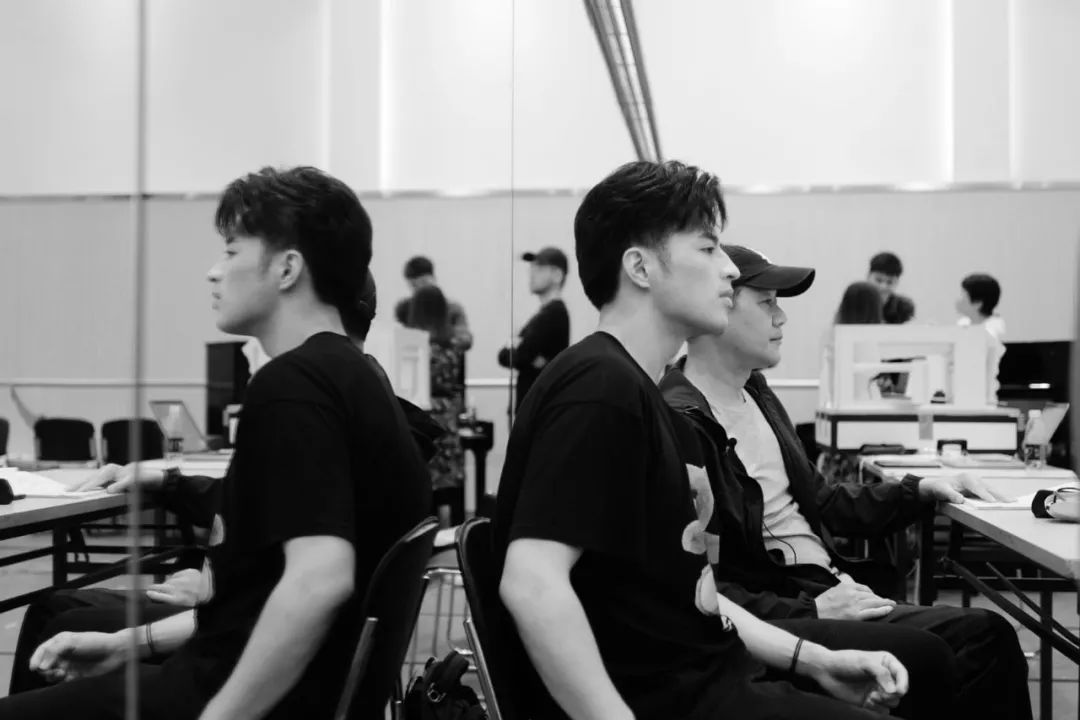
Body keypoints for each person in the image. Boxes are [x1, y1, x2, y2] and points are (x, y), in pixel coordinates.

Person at [0, 166, 433, 719]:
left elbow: (319, 580)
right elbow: (257, 604)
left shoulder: (293, 384)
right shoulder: (356, 379)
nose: (213, 271)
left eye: (230, 251)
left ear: (287, 268)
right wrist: (124, 646)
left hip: (222, 695)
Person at [496, 160, 921, 720]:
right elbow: (531, 582)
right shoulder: (599, 387)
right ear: (640, 267)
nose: (729, 269)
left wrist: (815, 660)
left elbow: (695, 593)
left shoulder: (640, 392)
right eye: (707, 247)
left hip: (718, 677)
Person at [662, 244, 1032, 720]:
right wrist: (811, 609)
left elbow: (824, 501)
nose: (782, 318)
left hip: (826, 588)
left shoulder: (754, 392)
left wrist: (916, 490)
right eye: (767, 302)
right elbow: (704, 583)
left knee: (980, 637)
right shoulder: (682, 419)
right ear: (719, 311)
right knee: (978, 641)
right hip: (792, 609)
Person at [403, 284, 467, 525]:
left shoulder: (411, 346)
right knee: (452, 491)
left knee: (424, 492)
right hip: (448, 423)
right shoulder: (454, 346)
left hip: (422, 422)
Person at [497, 247, 571, 411]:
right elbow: (507, 356)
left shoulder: (553, 314)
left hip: (539, 410)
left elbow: (520, 355)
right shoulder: (543, 315)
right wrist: (522, 353)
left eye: (539, 269)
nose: (532, 274)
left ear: (557, 275)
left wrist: (516, 346)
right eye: (532, 268)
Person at [394, 255, 473, 349]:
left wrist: (451, 341)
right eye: (414, 286)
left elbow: (465, 338)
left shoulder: (453, 308)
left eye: (424, 283)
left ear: (434, 278)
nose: (420, 289)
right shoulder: (405, 309)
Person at [956, 272, 1006, 403]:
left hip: (983, 398)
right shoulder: (963, 324)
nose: (958, 300)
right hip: (962, 394)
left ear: (977, 303)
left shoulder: (992, 330)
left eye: (963, 296)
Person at [867, 252, 915, 324]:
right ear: (868, 277)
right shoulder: (855, 303)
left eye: (889, 282)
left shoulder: (904, 306)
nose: (883, 287)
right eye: (878, 280)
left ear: (897, 282)